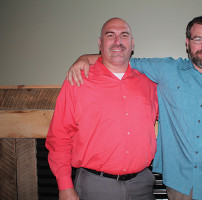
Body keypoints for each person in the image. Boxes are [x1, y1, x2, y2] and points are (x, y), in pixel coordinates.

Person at [67, 15, 202, 200]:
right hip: (181, 188)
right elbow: (120, 58)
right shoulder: (167, 71)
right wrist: (84, 58)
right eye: (198, 39)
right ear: (187, 43)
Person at [46, 18, 158, 200]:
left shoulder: (150, 83)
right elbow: (59, 136)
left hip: (142, 186)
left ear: (132, 43)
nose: (118, 42)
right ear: (100, 43)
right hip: (95, 186)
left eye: (124, 35)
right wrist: (64, 185)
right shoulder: (78, 80)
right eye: (110, 35)